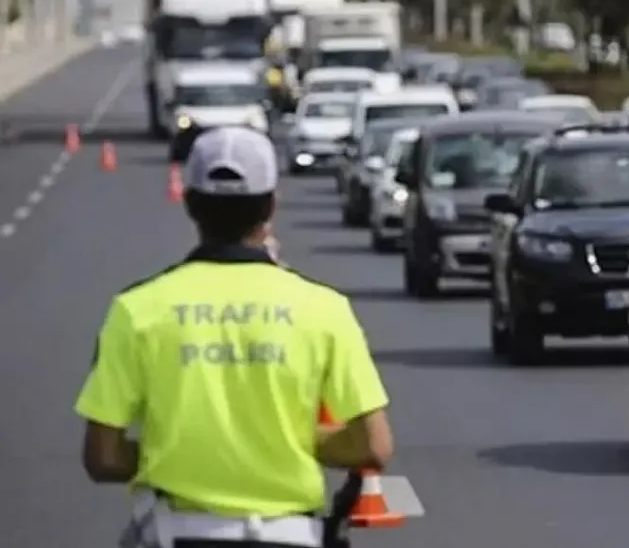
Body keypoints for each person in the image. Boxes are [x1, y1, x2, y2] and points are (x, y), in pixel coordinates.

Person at [74, 126, 394, 548]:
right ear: (271, 206)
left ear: (189, 203)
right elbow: (373, 446)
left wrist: (174, 451)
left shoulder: (136, 310)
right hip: (291, 535)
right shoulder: (325, 309)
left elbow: (103, 457)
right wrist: (289, 440)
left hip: (176, 534)